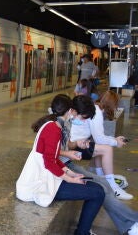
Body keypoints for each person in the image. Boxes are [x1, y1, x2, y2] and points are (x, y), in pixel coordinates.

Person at [25, 94, 105, 235]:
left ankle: (83, 232)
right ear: (70, 111)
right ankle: (82, 232)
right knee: (98, 192)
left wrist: (70, 173)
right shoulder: (53, 130)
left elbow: (54, 158)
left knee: (97, 189)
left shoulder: (53, 125)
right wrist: (70, 178)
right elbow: (50, 162)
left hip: (51, 179)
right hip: (44, 184)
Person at [57, 96, 138, 235]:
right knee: (100, 188)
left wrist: (77, 144)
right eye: (83, 117)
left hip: (65, 163)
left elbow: (68, 144)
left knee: (103, 183)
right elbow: (47, 154)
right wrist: (69, 172)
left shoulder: (67, 122)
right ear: (72, 110)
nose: (81, 121)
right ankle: (132, 222)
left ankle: (130, 224)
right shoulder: (54, 125)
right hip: (62, 167)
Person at [70, 95, 132, 200]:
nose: (116, 109)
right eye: (116, 106)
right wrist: (115, 143)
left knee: (102, 146)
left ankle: (101, 177)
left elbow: (98, 137)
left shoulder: (95, 109)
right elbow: (99, 138)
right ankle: (112, 187)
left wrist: (115, 139)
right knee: (107, 149)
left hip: (78, 144)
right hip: (75, 146)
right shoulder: (96, 112)